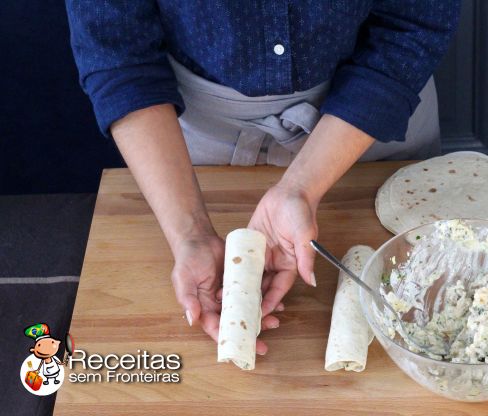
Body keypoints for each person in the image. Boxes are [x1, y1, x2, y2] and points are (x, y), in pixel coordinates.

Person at [65, 1, 461, 356]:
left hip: (371, 120)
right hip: (188, 141)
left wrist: (300, 188)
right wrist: (191, 234)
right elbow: (117, 52)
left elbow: (413, 24)